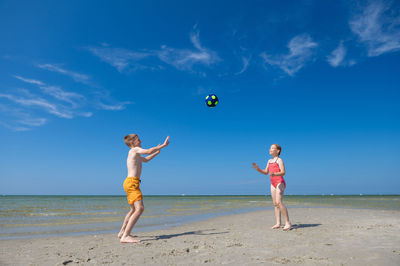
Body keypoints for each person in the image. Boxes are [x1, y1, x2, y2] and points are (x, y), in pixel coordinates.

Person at [118, 134, 170, 243]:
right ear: (132, 143)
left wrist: (156, 152)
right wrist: (163, 146)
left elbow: (146, 159)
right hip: (132, 183)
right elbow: (148, 151)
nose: (141, 140)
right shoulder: (135, 150)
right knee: (139, 209)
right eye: (138, 139)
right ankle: (125, 236)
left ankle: (122, 232)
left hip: (129, 182)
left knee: (133, 209)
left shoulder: (135, 153)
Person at [252, 144, 291, 231]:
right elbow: (266, 172)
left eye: (272, 148)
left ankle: (288, 223)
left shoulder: (279, 160)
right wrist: (258, 169)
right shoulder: (269, 161)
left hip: (280, 182)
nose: (270, 149)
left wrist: (275, 174)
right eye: (270, 148)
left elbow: (283, 172)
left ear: (278, 151)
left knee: (279, 202)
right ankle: (278, 223)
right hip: (272, 183)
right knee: (275, 204)